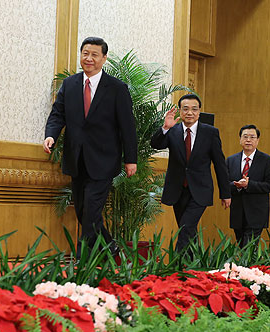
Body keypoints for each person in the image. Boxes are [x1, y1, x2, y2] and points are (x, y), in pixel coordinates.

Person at [43, 37, 137, 257]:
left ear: (104, 58)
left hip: (104, 161)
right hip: (76, 159)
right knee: (84, 211)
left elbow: (127, 126)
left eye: (95, 54)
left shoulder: (116, 88)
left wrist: (130, 159)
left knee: (91, 211)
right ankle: (112, 250)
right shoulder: (70, 84)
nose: (89, 58)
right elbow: (58, 114)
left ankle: (82, 262)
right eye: (85, 53)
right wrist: (51, 136)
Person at [150, 94, 231, 252]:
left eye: (194, 109)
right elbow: (156, 144)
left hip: (200, 191)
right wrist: (165, 128)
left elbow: (220, 164)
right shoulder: (173, 130)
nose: (190, 113)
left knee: (186, 229)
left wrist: (225, 193)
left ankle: (178, 266)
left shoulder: (210, 132)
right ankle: (194, 269)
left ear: (199, 112)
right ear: (180, 111)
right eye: (185, 109)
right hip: (177, 191)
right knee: (187, 231)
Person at [226, 125, 270, 247]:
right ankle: (246, 267)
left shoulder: (266, 160)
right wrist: (237, 185)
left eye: (252, 137)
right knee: (241, 246)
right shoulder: (231, 160)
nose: (248, 140)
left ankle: (247, 266)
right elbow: (225, 184)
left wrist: (250, 185)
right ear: (240, 139)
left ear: (257, 140)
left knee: (249, 247)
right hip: (237, 212)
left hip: (257, 213)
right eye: (245, 137)